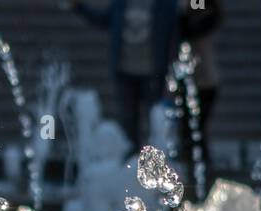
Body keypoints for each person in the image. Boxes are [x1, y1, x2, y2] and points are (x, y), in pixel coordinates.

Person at [71, 0, 182, 151]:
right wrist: (79, 7)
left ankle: (156, 157)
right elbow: (103, 19)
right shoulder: (122, 3)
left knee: (154, 118)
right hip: (124, 71)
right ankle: (132, 157)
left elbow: (179, 27)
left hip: (153, 71)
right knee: (128, 119)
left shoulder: (165, 4)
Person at [178, 0, 222, 170]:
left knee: (196, 126)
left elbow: (201, 17)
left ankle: (201, 164)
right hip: (190, 74)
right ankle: (196, 163)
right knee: (190, 127)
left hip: (202, 76)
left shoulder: (198, 4)